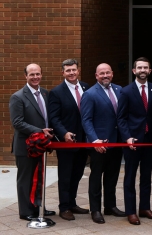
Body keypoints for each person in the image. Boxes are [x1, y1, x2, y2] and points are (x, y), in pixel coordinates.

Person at [116, 57, 152, 225]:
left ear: (150, 71)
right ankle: (131, 211)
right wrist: (127, 137)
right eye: (139, 67)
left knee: (147, 176)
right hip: (132, 141)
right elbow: (121, 118)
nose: (143, 70)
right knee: (130, 176)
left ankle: (145, 208)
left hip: (150, 141)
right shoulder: (126, 91)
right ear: (134, 71)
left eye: (146, 67)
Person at [10, 63, 56, 221]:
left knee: (40, 178)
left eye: (38, 74)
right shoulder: (18, 96)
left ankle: (38, 207)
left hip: (40, 145)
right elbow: (17, 122)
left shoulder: (45, 93)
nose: (35, 77)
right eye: (32, 74)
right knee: (26, 179)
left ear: (41, 75)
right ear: (26, 76)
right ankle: (26, 211)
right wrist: (39, 131)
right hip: (25, 146)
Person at [80, 63, 125, 224]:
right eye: (102, 73)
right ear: (96, 76)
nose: (105, 75)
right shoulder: (90, 94)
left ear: (112, 74)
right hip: (99, 144)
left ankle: (110, 206)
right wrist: (94, 140)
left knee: (112, 176)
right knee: (96, 177)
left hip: (117, 142)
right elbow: (86, 120)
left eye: (108, 73)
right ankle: (96, 209)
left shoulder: (120, 90)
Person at [47, 59, 90, 221]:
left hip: (84, 141)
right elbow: (54, 118)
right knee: (65, 176)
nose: (71, 73)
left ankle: (72, 203)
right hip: (66, 142)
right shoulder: (57, 92)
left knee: (77, 174)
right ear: (63, 73)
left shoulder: (87, 87)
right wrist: (64, 133)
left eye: (74, 69)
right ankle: (64, 207)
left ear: (78, 70)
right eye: (68, 70)